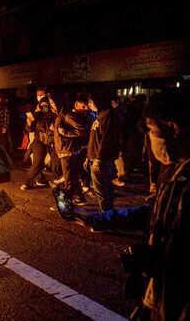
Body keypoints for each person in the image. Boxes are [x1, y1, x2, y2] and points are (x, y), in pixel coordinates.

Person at [69, 92, 189, 320]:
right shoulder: (173, 172)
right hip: (159, 294)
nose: (150, 138)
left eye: (153, 131)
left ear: (174, 130)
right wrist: (98, 219)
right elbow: (154, 213)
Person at [54, 94, 93, 205]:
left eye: (85, 106)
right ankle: (79, 197)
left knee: (69, 177)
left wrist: (65, 133)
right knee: (72, 176)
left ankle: (67, 202)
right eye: (83, 106)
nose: (85, 109)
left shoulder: (70, 115)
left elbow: (83, 130)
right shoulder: (64, 115)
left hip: (67, 150)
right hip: (67, 150)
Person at [86, 100, 122, 211]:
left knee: (102, 189)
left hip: (102, 159)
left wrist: (99, 159)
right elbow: (94, 138)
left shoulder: (109, 116)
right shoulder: (101, 115)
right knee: (102, 187)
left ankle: (106, 215)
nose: (90, 104)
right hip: (96, 157)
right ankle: (108, 214)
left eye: (92, 101)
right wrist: (88, 156)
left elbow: (106, 139)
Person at [21, 97, 58, 190]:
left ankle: (59, 184)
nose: (44, 107)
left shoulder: (55, 114)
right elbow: (30, 129)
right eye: (42, 105)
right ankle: (28, 182)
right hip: (40, 141)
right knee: (37, 162)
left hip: (53, 141)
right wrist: (29, 123)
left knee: (56, 164)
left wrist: (55, 118)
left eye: (46, 105)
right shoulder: (37, 115)